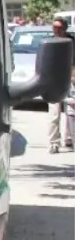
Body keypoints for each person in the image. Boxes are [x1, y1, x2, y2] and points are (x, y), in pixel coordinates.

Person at [48, 17, 75, 154]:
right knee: (54, 114)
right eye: (54, 27)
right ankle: (54, 143)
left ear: (65, 28)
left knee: (71, 111)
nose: (56, 30)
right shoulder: (49, 42)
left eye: (59, 28)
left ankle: (69, 139)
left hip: (70, 80)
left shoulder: (72, 41)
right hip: (53, 82)